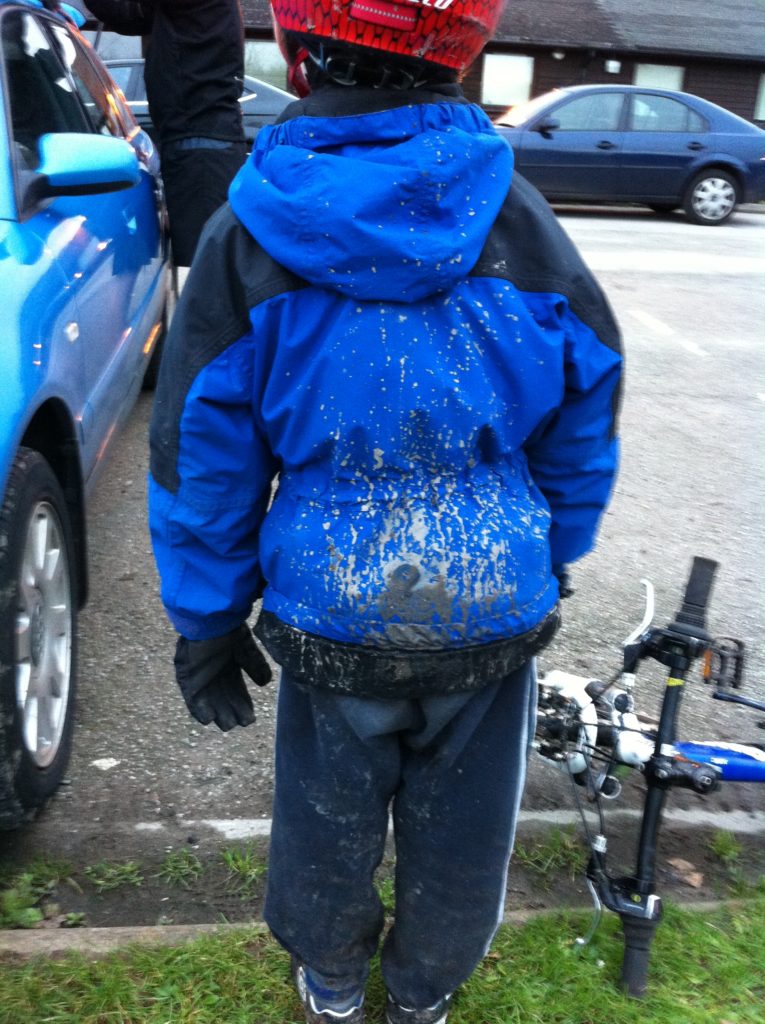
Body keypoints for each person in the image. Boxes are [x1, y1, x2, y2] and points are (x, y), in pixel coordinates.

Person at [148, 1, 623, 1021]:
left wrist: (207, 619)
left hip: (333, 608)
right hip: (491, 605)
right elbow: (587, 401)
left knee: (327, 817)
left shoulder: (249, 235)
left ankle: (330, 981)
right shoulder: (521, 222)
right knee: (466, 825)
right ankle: (423, 994)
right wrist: (555, 544)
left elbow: (203, 452)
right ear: (468, 48)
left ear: (296, 47)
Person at [84, 0, 247, 271]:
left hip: (202, 152)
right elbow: (131, 16)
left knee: (200, 277)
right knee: (199, 273)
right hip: (195, 145)